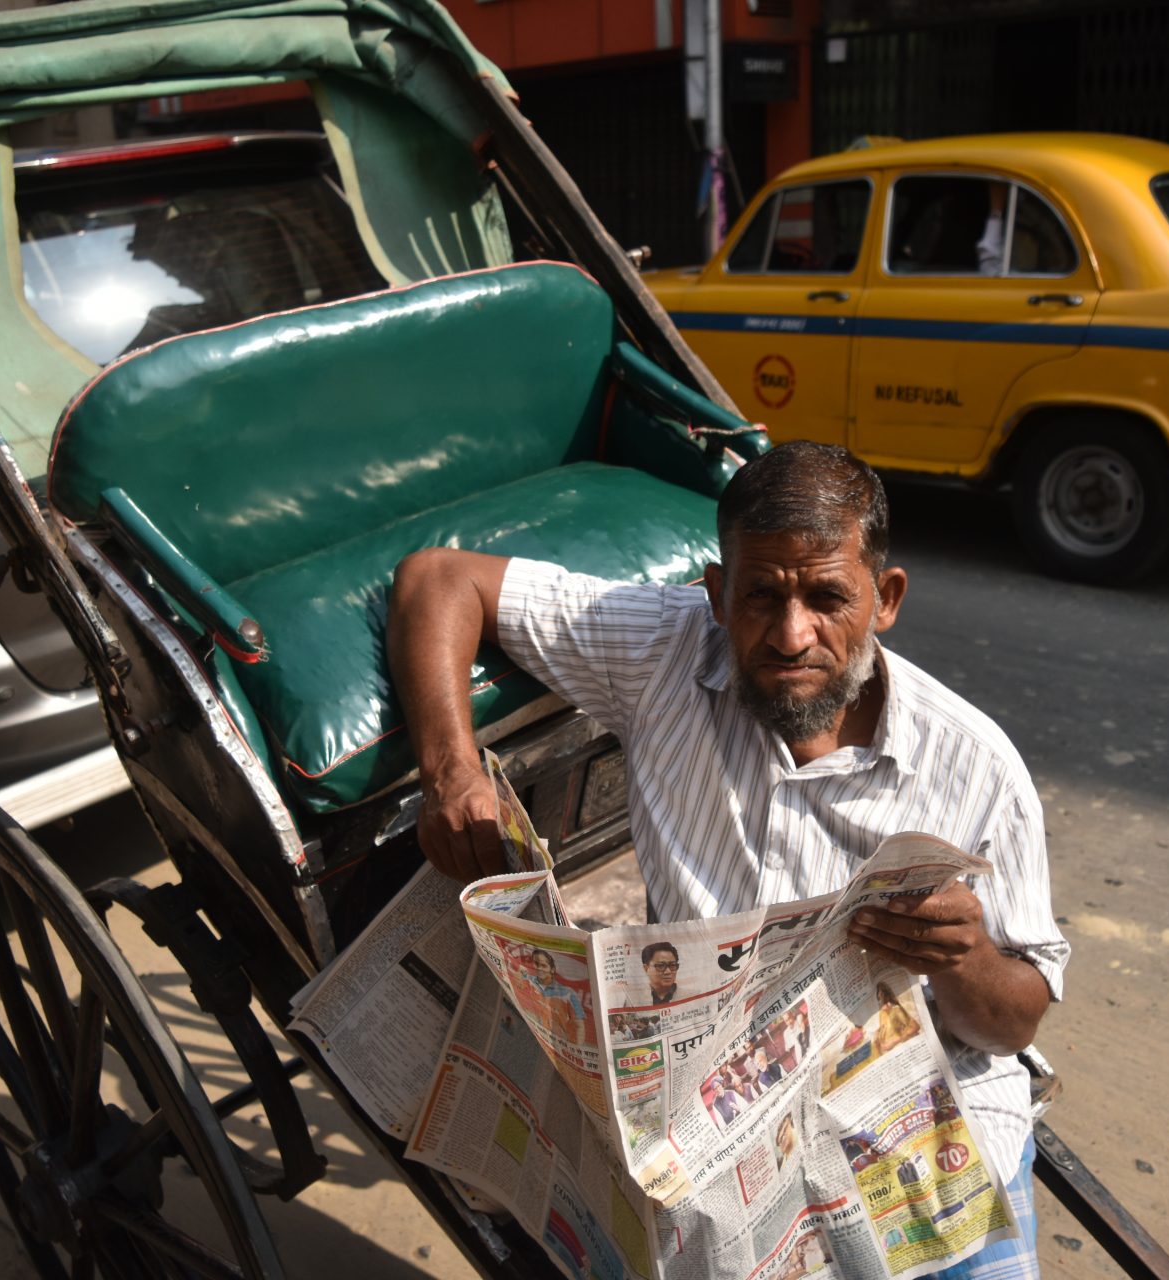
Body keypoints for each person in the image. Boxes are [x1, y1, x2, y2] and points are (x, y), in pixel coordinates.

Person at [389, 440, 1068, 1277]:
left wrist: (964, 959)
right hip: (717, 1130)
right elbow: (438, 580)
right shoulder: (662, 650)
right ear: (717, 594)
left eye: (827, 599)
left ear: (884, 599)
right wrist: (452, 769)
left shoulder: (975, 766)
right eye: (761, 597)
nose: (791, 635)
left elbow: (1013, 1024)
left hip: (924, 1132)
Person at [874, 980, 919, 1054]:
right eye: (879, 1000)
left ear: (888, 998)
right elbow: (885, 1030)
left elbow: (915, 1027)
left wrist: (894, 1042)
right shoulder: (882, 1014)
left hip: (904, 1051)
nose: (881, 1004)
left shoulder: (896, 1009)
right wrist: (878, 1035)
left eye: (883, 999)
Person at [641, 941, 681, 1005]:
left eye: (672, 965)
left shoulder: (692, 995)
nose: (668, 972)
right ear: (646, 968)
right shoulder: (634, 999)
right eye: (661, 966)